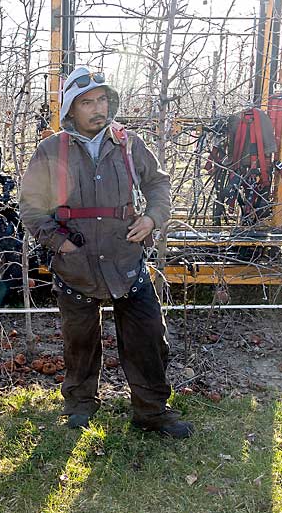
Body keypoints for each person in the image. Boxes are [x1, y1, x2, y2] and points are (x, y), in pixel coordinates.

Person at [19, 66, 193, 439]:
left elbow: (158, 184)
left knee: (148, 340)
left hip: (127, 262)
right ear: (70, 109)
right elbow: (31, 208)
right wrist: (57, 242)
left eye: (102, 100)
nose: (98, 109)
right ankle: (80, 405)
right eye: (87, 102)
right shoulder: (51, 150)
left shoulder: (128, 143)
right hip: (76, 267)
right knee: (79, 343)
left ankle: (152, 411)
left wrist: (152, 218)